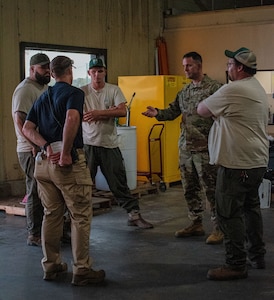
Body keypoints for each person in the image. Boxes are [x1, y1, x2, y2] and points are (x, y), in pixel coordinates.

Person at [22, 56, 105, 285]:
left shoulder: (43, 96)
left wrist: (46, 146)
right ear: (70, 70)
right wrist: (66, 151)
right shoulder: (74, 93)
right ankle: (82, 270)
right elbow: (72, 117)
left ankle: (52, 265)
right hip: (66, 165)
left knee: (51, 215)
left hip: (44, 165)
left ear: (51, 72)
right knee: (80, 216)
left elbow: (27, 128)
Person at [197, 47, 268, 280]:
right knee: (250, 209)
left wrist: (219, 113)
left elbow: (202, 109)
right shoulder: (256, 88)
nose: (227, 68)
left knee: (229, 213)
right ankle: (256, 256)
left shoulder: (234, 89)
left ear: (239, 68)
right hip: (255, 163)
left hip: (236, 164)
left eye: (229, 64)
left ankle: (236, 264)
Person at [142, 51, 223, 244]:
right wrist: (157, 113)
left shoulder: (215, 89)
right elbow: (172, 111)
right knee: (189, 189)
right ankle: (195, 223)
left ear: (199, 66)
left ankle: (220, 228)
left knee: (211, 190)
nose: (185, 69)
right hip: (186, 148)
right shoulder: (184, 92)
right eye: (184, 65)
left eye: (189, 65)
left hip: (206, 149)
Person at [81, 58, 153, 229]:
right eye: (94, 71)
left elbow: (122, 111)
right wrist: (109, 112)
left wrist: (99, 113)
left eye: (100, 71)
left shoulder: (113, 90)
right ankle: (75, 220)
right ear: (89, 73)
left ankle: (134, 214)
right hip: (88, 144)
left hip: (109, 144)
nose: (97, 75)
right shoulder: (82, 92)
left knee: (119, 183)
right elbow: (81, 115)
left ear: (105, 71)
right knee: (82, 185)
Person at [12, 53, 50, 246]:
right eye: (43, 68)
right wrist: (34, 145)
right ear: (32, 69)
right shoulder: (25, 90)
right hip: (29, 149)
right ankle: (34, 234)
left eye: (49, 67)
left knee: (46, 190)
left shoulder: (43, 88)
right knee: (34, 189)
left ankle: (50, 230)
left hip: (41, 146)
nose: (47, 71)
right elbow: (20, 121)